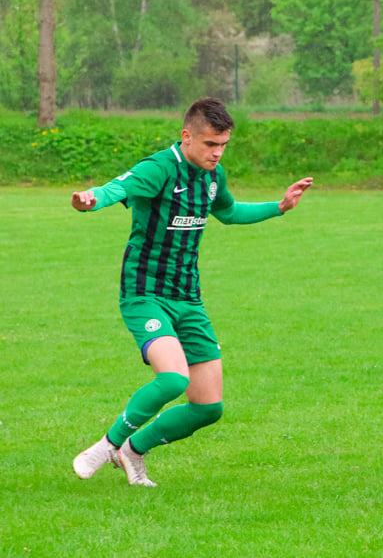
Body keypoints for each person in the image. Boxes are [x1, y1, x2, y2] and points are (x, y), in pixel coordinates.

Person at [70, 97, 313, 486]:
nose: (217, 153)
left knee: (208, 406)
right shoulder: (160, 168)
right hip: (145, 293)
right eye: (210, 144)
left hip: (188, 297)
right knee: (173, 380)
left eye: (223, 145)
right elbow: (118, 187)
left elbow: (230, 213)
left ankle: (132, 451)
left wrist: (280, 206)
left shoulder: (213, 177)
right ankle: (106, 446)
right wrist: (91, 200)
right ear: (187, 137)